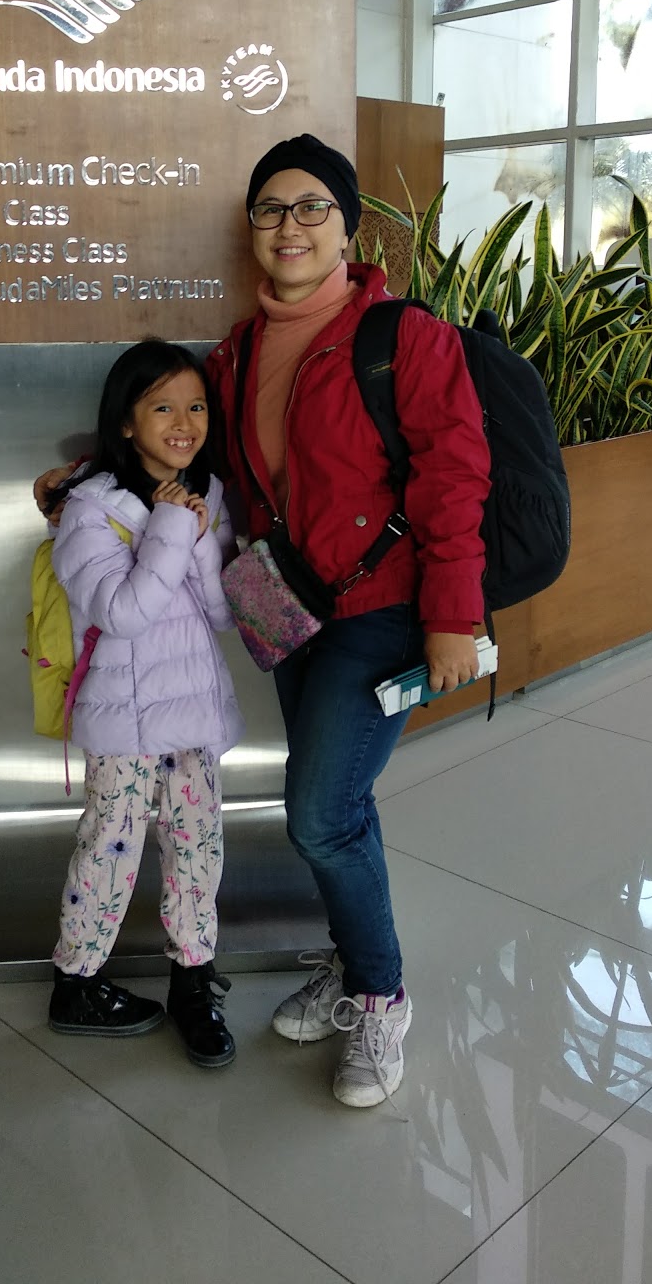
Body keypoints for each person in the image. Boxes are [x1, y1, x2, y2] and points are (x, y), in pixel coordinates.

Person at [38, 134, 491, 1108]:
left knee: (320, 814)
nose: (290, 226)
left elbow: (454, 478)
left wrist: (454, 614)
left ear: (347, 226)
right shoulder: (236, 355)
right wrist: (81, 482)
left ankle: (380, 996)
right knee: (340, 804)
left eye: (311, 206)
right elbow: (186, 458)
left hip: (383, 610)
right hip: (290, 610)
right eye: (271, 209)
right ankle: (349, 960)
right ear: (251, 229)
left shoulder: (405, 338)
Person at [46, 338, 244, 1069]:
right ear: (126, 422)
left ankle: (193, 982)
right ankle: (76, 983)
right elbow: (124, 613)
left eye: (196, 406)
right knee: (110, 846)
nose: (183, 423)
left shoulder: (208, 494)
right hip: (124, 719)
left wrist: (199, 532)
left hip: (192, 712)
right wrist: (172, 526)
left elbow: (221, 613)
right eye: (162, 408)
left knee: (198, 848)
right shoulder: (89, 509)